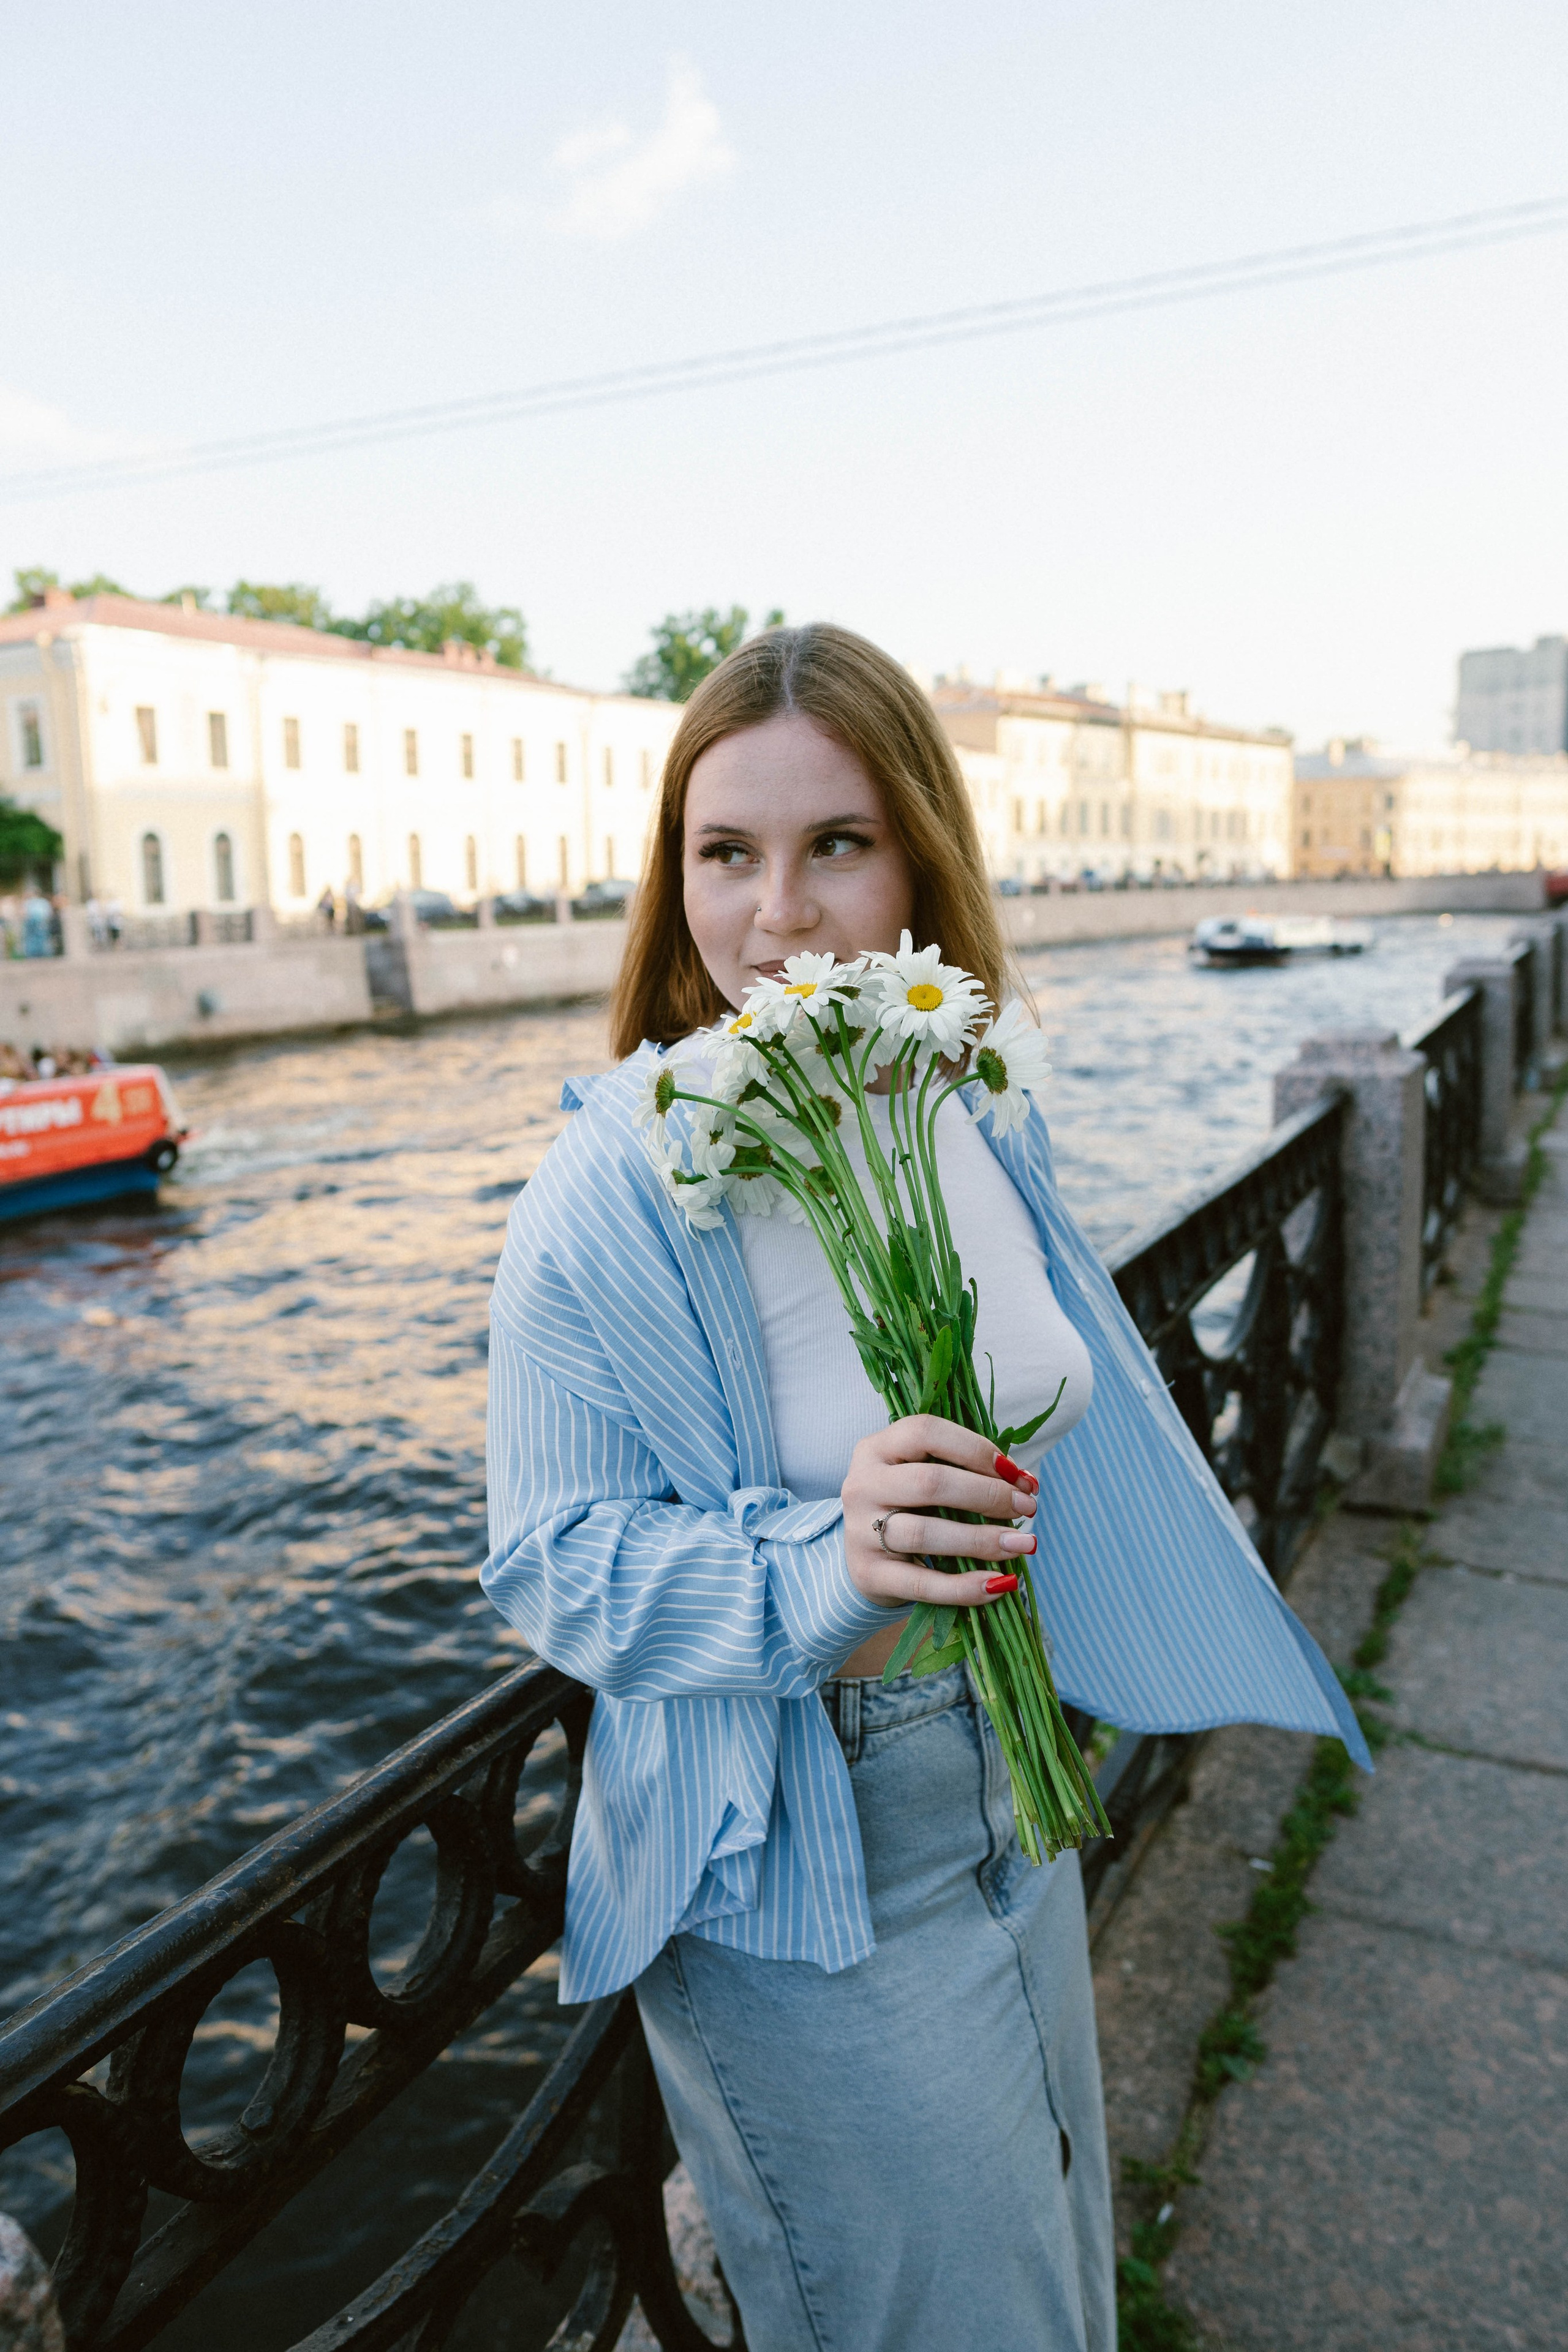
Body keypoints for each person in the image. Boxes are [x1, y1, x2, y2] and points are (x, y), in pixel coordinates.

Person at [481, 624, 1366, 2352]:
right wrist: (835, 1559)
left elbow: (1056, 1387)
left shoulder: (957, 1088)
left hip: (1013, 1796)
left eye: (837, 845)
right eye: (726, 853)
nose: (780, 916)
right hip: (810, 1873)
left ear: (920, 863)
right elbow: (555, 1565)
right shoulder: (613, 1191)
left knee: (1058, 2283)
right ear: (675, 881)